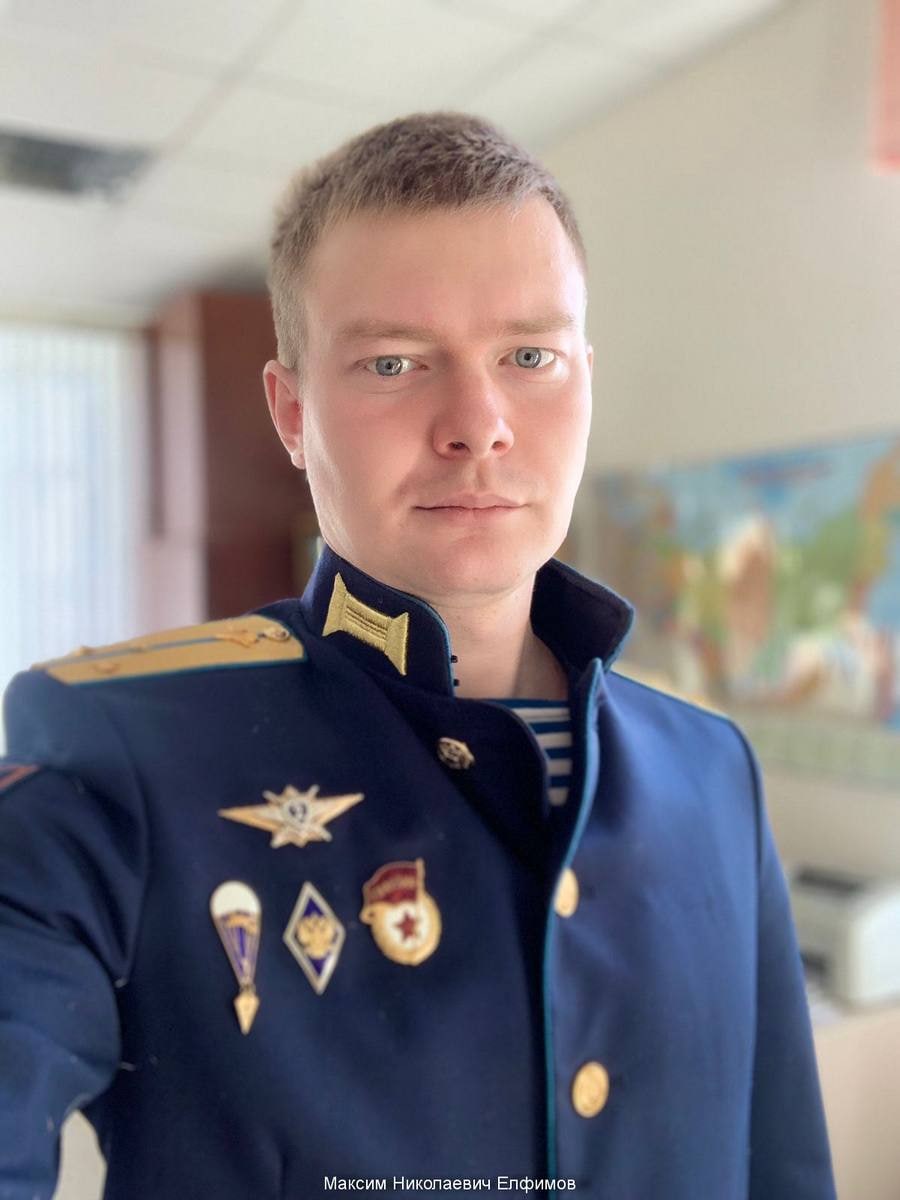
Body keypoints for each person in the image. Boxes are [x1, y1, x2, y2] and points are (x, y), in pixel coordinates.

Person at [0, 112, 836, 1199]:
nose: (478, 424)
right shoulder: (125, 755)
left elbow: (783, 1168)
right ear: (293, 414)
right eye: (394, 362)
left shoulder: (712, 769)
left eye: (529, 357)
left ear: (585, 381)